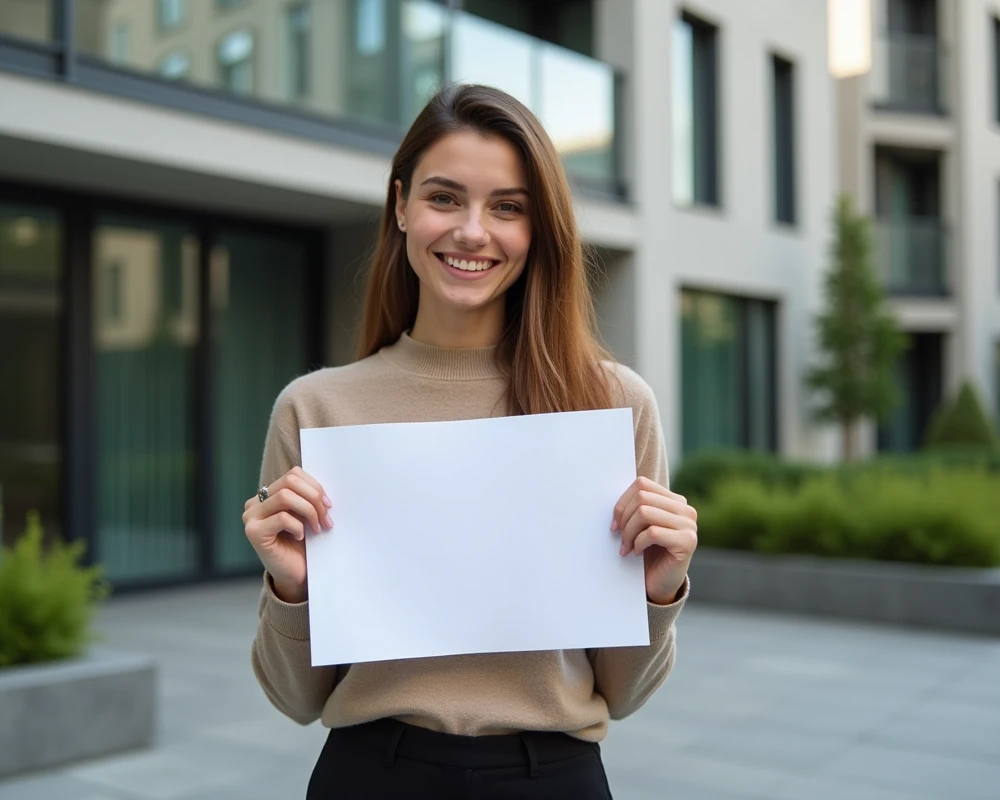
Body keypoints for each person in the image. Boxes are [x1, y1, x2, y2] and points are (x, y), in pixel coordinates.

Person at [244, 83, 698, 799]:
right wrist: (292, 589)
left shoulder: (612, 404)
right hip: (371, 775)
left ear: (538, 227)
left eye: (507, 207)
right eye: (444, 198)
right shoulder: (316, 408)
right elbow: (297, 700)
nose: (472, 231)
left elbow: (625, 694)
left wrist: (659, 589)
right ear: (400, 206)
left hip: (553, 777)